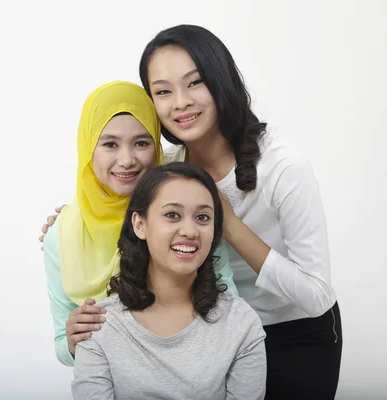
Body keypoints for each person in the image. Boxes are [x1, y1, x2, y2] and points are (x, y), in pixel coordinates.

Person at [42, 25, 342, 399]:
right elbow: (116, 187)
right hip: (205, 335)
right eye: (163, 91)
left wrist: (228, 223)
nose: (180, 102)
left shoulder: (283, 167)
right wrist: (71, 220)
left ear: (221, 81)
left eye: (195, 82)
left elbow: (317, 296)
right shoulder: (166, 167)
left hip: (292, 328)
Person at [43, 81, 238, 367]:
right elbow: (63, 346)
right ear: (88, 148)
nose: (127, 160)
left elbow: (229, 313)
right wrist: (73, 341)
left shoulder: (190, 215)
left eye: (142, 143)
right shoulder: (61, 235)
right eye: (109, 144)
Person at [72, 162, 266, 400]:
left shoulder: (241, 323)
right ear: (140, 225)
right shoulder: (98, 324)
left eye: (203, 217)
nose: (190, 231)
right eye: (172, 215)